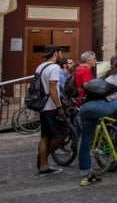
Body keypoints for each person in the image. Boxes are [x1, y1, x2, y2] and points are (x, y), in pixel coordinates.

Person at [77, 57, 117, 186]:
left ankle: (86, 175)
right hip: (101, 106)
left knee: (85, 142)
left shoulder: (107, 74)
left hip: (86, 107)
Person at [35, 45, 68, 175]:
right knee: (62, 133)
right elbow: (53, 88)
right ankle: (43, 159)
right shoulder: (54, 68)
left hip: (43, 106)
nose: (61, 55)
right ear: (56, 53)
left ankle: (43, 164)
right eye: (60, 53)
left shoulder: (40, 67)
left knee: (45, 136)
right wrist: (59, 107)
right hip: (51, 106)